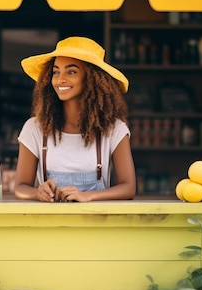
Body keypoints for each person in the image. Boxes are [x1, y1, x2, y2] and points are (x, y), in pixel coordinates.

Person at [14, 36, 136, 202]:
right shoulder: (34, 128)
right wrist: (37, 192)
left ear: (93, 79)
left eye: (71, 72)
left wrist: (88, 196)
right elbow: (20, 186)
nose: (60, 79)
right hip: (48, 224)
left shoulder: (114, 129)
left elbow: (128, 187)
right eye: (56, 72)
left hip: (97, 224)